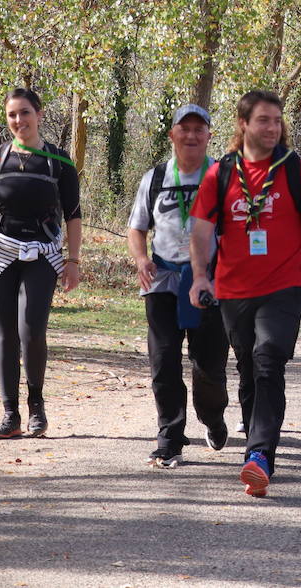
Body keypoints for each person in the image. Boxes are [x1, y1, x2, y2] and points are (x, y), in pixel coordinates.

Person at [188, 91, 301, 498]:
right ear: (243, 125)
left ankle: (259, 455)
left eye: (277, 121)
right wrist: (200, 278)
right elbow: (200, 230)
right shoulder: (220, 173)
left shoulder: (294, 170)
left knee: (269, 360)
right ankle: (257, 447)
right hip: (234, 290)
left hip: (284, 286)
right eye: (263, 121)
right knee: (249, 370)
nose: (273, 128)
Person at [0, 88, 81, 440]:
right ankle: (10, 414)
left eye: (25, 113)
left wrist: (73, 260)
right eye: (12, 115)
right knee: (5, 335)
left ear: (39, 115)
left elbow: (73, 215)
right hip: (0, 254)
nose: (18, 121)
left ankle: (36, 407)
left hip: (42, 254)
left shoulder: (60, 161)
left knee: (32, 331)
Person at [127, 103, 231, 469]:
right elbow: (137, 227)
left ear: (208, 135)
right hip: (163, 281)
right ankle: (169, 438)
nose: (190, 135)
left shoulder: (224, 175)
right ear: (171, 134)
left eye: (198, 129)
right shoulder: (155, 177)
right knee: (163, 362)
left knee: (209, 368)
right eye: (183, 129)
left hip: (210, 283)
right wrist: (142, 260)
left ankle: (213, 417)